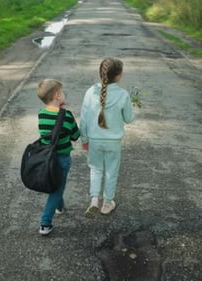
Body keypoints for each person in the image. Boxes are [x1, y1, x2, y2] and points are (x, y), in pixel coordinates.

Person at [80, 58, 135, 218]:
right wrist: (134, 107)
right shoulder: (123, 94)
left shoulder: (90, 92)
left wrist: (84, 139)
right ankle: (107, 203)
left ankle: (94, 200)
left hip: (94, 140)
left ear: (101, 73)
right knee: (111, 172)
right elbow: (129, 118)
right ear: (118, 76)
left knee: (95, 169)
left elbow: (83, 119)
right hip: (113, 142)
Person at [36, 79, 80, 235]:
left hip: (47, 158)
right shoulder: (67, 116)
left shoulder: (41, 114)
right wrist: (64, 114)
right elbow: (75, 135)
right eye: (62, 92)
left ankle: (59, 207)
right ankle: (45, 223)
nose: (63, 94)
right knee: (57, 189)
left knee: (57, 185)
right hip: (62, 158)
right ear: (57, 96)